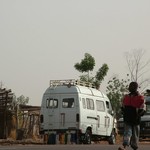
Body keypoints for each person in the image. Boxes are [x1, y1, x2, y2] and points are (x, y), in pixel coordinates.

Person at [118, 82, 145, 150]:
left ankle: (134, 145)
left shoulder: (140, 97)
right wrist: (124, 112)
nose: (129, 88)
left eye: (131, 86)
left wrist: (138, 114)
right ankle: (124, 146)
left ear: (135, 88)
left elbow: (143, 108)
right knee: (127, 132)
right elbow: (122, 106)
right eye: (129, 86)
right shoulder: (126, 97)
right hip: (127, 119)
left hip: (136, 120)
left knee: (135, 135)